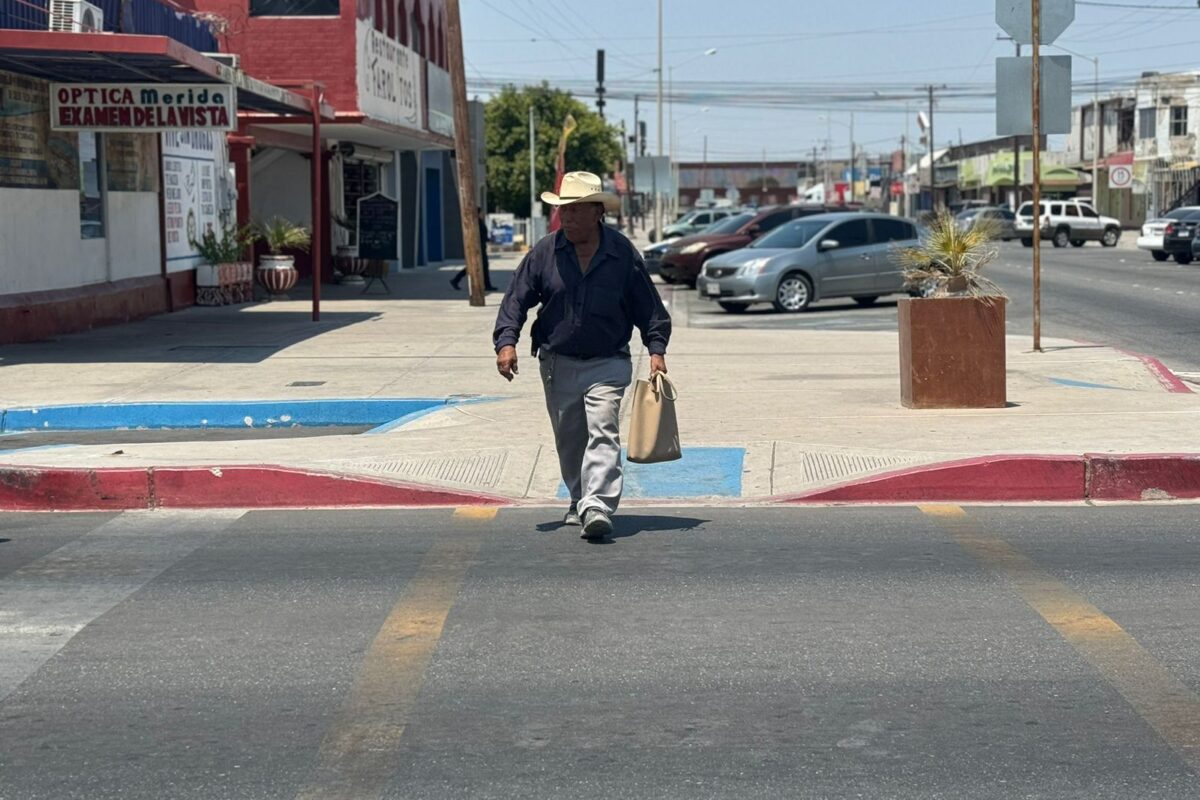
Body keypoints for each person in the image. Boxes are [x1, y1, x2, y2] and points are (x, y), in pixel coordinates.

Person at [493, 171, 671, 540]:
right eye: (563, 211)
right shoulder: (545, 251)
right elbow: (516, 299)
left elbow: (648, 306)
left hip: (608, 361)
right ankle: (579, 496)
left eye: (575, 211)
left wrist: (656, 349)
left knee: (604, 430)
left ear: (596, 212)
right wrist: (506, 343)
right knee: (570, 438)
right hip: (557, 363)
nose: (567, 219)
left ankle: (598, 505)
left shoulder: (621, 253)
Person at [451, 208, 497, 292]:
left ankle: (487, 285)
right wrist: (487, 239)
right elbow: (478, 236)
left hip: (481, 247)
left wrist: (488, 239)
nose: (483, 214)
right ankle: (455, 280)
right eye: (481, 213)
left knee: (482, 267)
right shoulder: (476, 223)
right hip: (478, 249)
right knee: (475, 267)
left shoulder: (479, 221)